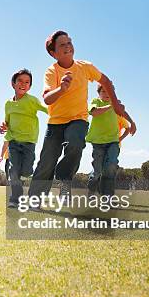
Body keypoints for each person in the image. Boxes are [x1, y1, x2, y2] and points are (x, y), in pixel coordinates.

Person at [26, 30, 135, 205]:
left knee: (76, 144)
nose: (68, 46)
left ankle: (64, 180)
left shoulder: (85, 67)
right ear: (53, 53)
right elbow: (47, 99)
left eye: (69, 42)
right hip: (55, 123)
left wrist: (115, 104)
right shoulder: (51, 71)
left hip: (79, 119)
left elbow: (106, 82)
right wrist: (61, 89)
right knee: (47, 162)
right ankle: (34, 199)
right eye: (62, 44)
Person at [0, 69, 47, 207]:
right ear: (13, 83)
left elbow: (47, 109)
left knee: (26, 171)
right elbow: (6, 121)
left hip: (29, 142)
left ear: (30, 86)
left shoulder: (32, 100)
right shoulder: (8, 104)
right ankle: (15, 199)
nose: (23, 84)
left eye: (27, 82)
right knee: (13, 171)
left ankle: (24, 178)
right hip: (13, 141)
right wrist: (3, 127)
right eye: (20, 81)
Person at [86, 84, 136, 197]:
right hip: (98, 141)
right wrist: (111, 105)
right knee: (97, 172)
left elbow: (123, 112)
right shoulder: (96, 101)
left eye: (109, 91)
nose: (107, 94)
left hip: (113, 140)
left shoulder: (115, 104)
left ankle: (107, 196)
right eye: (103, 91)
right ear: (99, 93)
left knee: (111, 166)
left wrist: (132, 122)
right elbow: (94, 112)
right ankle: (92, 188)